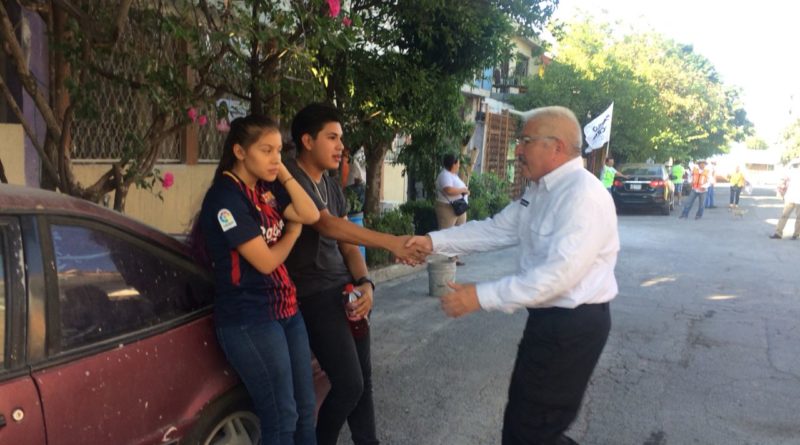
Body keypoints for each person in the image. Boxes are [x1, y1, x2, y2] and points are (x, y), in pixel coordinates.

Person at [407, 106, 618, 445]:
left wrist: (480, 296)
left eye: (526, 141)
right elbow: (496, 230)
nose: (518, 150)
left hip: (572, 327)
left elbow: (557, 276)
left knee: (531, 431)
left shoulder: (583, 195)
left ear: (557, 147)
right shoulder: (541, 191)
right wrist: (432, 242)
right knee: (528, 427)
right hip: (548, 321)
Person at [284, 103, 426, 445]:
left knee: (364, 381)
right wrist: (391, 242)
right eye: (332, 138)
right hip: (314, 296)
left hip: (346, 291)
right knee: (350, 385)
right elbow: (326, 225)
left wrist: (366, 284)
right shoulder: (289, 178)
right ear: (307, 140)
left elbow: (348, 246)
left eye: (341, 138)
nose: (340, 147)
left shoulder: (332, 185)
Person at [197, 115, 321, 444]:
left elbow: (310, 214)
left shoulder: (267, 189)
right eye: (266, 150)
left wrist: (283, 172)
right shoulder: (225, 199)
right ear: (240, 151)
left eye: (279, 150)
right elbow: (265, 262)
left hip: (286, 310)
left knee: (305, 409)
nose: (275, 158)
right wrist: (292, 233)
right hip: (250, 317)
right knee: (281, 417)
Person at [435, 153, 470, 265]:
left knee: (458, 232)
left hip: (459, 207)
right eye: (458, 163)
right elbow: (448, 190)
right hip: (448, 208)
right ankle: (446, 257)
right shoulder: (445, 175)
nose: (459, 165)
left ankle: (454, 257)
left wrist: (465, 191)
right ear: (453, 164)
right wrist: (463, 190)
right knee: (447, 232)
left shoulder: (453, 175)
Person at [769, 161, 800, 240]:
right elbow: (783, 180)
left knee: (799, 218)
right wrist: (781, 192)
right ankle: (778, 233)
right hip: (790, 197)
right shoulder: (792, 171)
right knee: (784, 215)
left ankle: (796, 234)